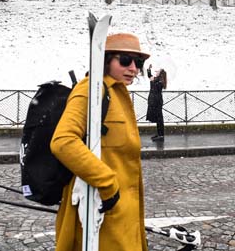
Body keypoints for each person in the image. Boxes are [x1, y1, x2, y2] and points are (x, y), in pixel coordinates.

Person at [50, 32, 150, 251]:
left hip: (122, 214)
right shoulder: (90, 90)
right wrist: (107, 183)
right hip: (98, 212)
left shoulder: (117, 94)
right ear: (105, 60)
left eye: (138, 62)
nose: (133, 68)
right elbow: (63, 141)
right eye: (125, 60)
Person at [146, 64, 167, 141]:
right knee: (158, 118)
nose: (156, 72)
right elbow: (150, 76)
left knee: (159, 119)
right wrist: (149, 69)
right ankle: (159, 134)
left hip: (157, 101)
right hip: (154, 101)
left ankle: (161, 135)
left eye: (158, 71)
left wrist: (152, 81)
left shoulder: (160, 81)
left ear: (160, 73)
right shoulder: (157, 79)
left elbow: (155, 88)